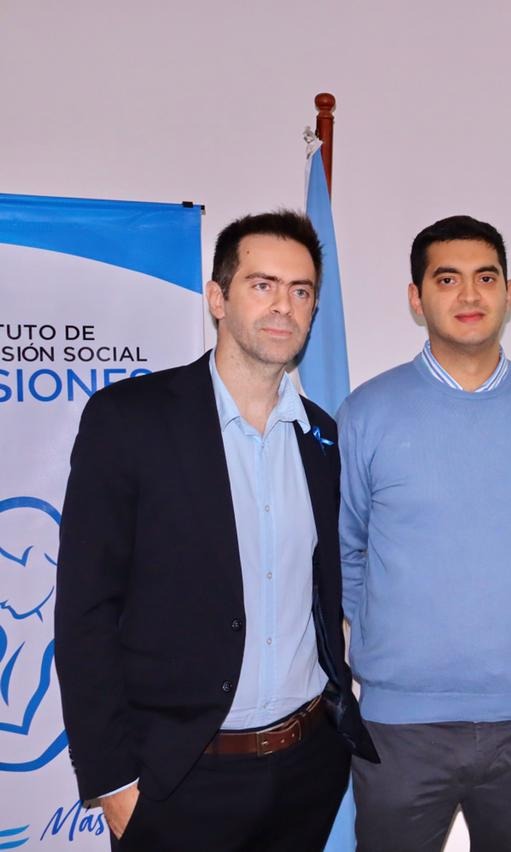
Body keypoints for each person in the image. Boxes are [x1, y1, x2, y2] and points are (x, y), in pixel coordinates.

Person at [54, 210, 378, 851]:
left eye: (301, 290)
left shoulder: (322, 437)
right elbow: (86, 611)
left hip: (306, 769)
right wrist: (112, 779)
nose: (283, 305)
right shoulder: (130, 421)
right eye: (262, 285)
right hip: (178, 781)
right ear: (217, 298)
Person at [339, 214, 511, 852]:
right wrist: (393, 635)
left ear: (509, 292)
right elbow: (346, 548)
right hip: (400, 727)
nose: (470, 295)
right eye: (447, 279)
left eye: (486, 277)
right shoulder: (367, 411)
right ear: (416, 297)